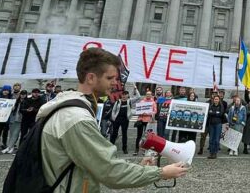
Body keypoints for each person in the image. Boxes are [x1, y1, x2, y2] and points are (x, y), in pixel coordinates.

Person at [34, 47, 187, 191]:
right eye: (110, 78)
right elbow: (109, 170)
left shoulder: (69, 108)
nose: (115, 83)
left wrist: (140, 169)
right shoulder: (77, 119)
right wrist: (161, 173)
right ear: (91, 78)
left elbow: (94, 164)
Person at [109, 90, 134, 154]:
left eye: (125, 95)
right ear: (121, 95)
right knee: (114, 133)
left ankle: (124, 148)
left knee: (124, 134)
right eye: (123, 95)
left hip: (125, 120)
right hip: (117, 119)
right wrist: (113, 118)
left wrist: (135, 89)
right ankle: (110, 147)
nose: (124, 96)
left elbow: (139, 97)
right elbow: (113, 110)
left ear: (128, 96)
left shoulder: (130, 101)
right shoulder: (117, 101)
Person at [133, 89, 157, 156]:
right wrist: (141, 112)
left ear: (151, 95)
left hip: (148, 121)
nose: (148, 95)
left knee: (147, 136)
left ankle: (144, 149)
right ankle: (136, 149)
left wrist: (148, 113)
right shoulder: (142, 101)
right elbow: (137, 110)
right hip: (141, 120)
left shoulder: (153, 102)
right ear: (146, 95)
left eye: (149, 94)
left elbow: (155, 111)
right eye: (147, 94)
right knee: (139, 135)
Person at [2, 89, 26, 154]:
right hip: (13, 118)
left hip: (20, 120)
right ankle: (10, 146)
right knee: (11, 134)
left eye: (24, 94)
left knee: (15, 134)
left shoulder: (26, 101)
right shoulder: (16, 101)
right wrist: (12, 108)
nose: (22, 95)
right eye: (21, 94)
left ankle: (9, 147)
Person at [207, 94, 226, 159]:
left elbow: (220, 114)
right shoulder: (211, 106)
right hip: (211, 124)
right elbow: (209, 113)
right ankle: (211, 152)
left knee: (217, 139)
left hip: (218, 124)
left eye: (217, 99)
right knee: (211, 139)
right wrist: (215, 113)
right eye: (215, 99)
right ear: (213, 100)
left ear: (219, 100)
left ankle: (215, 152)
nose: (216, 100)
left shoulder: (221, 106)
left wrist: (213, 113)